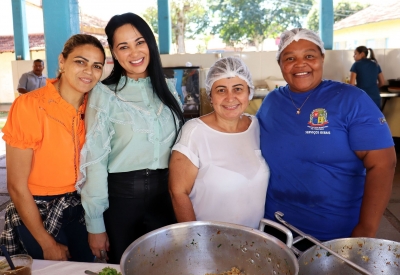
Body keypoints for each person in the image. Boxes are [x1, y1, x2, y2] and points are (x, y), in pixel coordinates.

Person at [256, 28, 396, 244]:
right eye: (290, 58)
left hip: (335, 237)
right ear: (280, 64)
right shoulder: (272, 102)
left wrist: (366, 229)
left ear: (322, 58)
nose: (300, 64)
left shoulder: (351, 100)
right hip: (275, 231)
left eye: (309, 56)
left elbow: (383, 164)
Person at [77, 12, 185, 264]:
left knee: (168, 267)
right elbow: (95, 162)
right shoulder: (103, 94)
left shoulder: (168, 89)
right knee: (123, 268)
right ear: (114, 53)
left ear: (150, 43)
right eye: (123, 47)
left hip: (165, 200)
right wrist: (95, 224)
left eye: (139, 42)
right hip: (121, 203)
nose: (134, 52)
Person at [0, 34, 106, 261]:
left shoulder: (95, 106)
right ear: (61, 62)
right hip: (38, 211)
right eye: (80, 61)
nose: (88, 71)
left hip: (80, 207)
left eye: (96, 66)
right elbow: (16, 186)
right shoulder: (31, 106)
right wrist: (46, 243)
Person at [169, 56, 270, 229]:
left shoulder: (257, 127)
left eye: (238, 89)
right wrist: (196, 240)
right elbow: (178, 192)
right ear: (210, 95)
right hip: (210, 242)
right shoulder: (195, 132)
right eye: (221, 90)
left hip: (253, 240)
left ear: (249, 92)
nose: (230, 98)